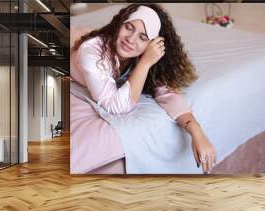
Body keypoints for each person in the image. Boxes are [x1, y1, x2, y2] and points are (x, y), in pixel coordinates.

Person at [70, 3, 217, 174]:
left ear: (152, 44)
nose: (130, 39)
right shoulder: (91, 52)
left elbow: (168, 93)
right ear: (120, 24)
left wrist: (196, 132)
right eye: (128, 27)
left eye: (143, 37)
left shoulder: (139, 53)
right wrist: (145, 63)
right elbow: (116, 105)